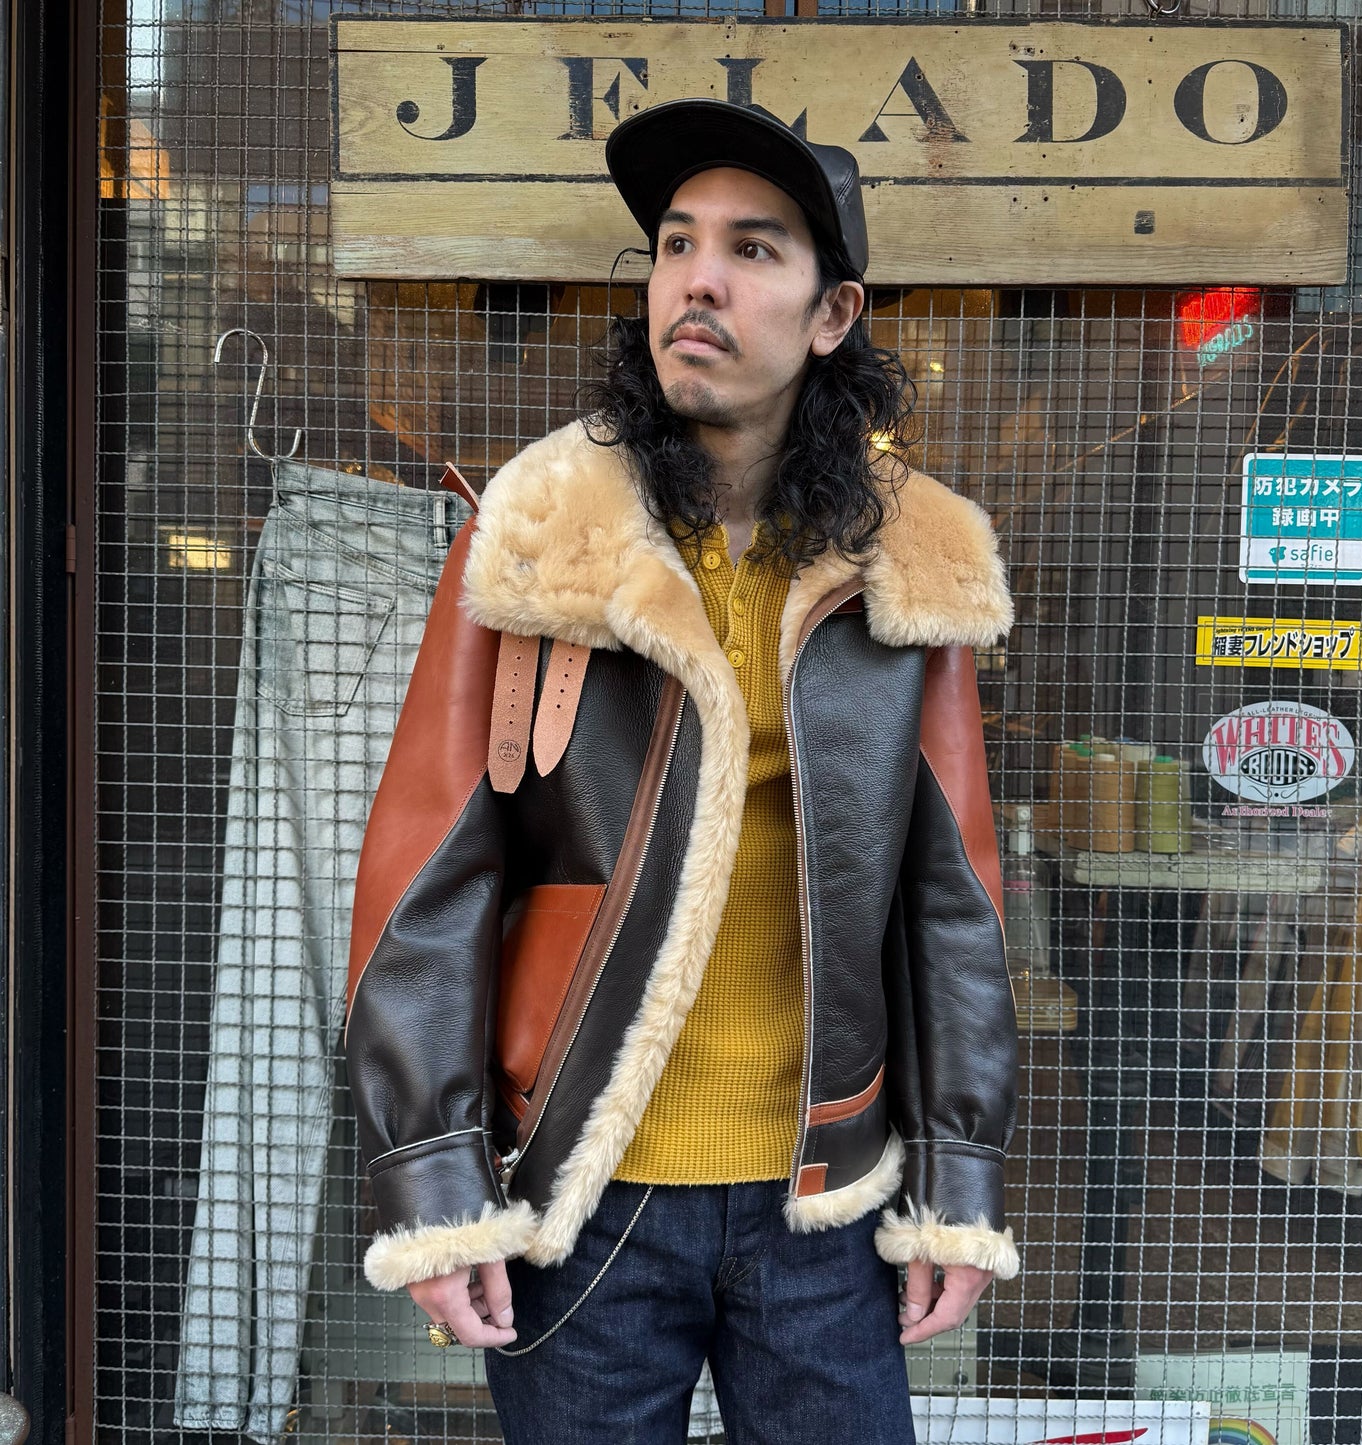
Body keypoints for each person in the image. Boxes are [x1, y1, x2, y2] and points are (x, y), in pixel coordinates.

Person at [344, 97, 1018, 1444]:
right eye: (675, 243)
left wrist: (960, 1175)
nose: (698, 278)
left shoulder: (908, 559)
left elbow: (954, 899)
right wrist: (434, 1182)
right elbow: (427, 871)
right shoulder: (543, 531)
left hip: (823, 1198)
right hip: (581, 1196)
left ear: (832, 314)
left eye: (753, 249)